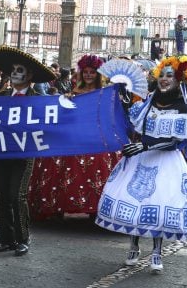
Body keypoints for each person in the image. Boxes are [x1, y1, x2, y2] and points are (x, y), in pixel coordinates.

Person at [95, 55, 187, 273]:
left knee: (159, 204)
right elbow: (135, 126)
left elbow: (175, 140)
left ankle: (157, 251)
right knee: (136, 200)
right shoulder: (149, 101)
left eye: (170, 76)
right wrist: (121, 99)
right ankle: (134, 245)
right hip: (141, 158)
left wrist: (145, 146)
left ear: (178, 80)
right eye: (162, 75)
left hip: (165, 161)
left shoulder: (181, 106)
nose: (165, 79)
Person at [28, 55, 120, 221]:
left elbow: (109, 116)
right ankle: (56, 205)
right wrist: (66, 103)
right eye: (86, 72)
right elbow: (66, 115)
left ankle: (96, 209)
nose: (89, 75)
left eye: (92, 72)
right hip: (75, 134)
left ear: (98, 74)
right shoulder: (73, 93)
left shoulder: (105, 94)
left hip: (96, 134)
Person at [0, 45, 57, 256]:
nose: (15, 74)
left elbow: (49, 124)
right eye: (13, 70)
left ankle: (23, 238)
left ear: (30, 76)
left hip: (24, 153)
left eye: (20, 70)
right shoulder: (1, 96)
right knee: (1, 194)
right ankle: (6, 239)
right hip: (1, 152)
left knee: (17, 195)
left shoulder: (38, 99)